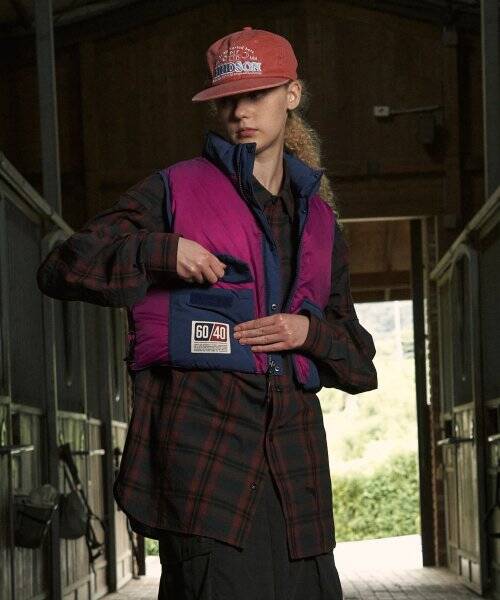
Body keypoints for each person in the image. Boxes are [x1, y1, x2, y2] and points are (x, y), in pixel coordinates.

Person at [37, 25, 377, 600]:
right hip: (206, 476)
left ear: (292, 94)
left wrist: (308, 332)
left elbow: (360, 362)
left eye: (257, 94)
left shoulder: (319, 222)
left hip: (298, 488)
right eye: (227, 100)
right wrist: (159, 250)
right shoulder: (172, 191)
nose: (241, 112)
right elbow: (62, 267)